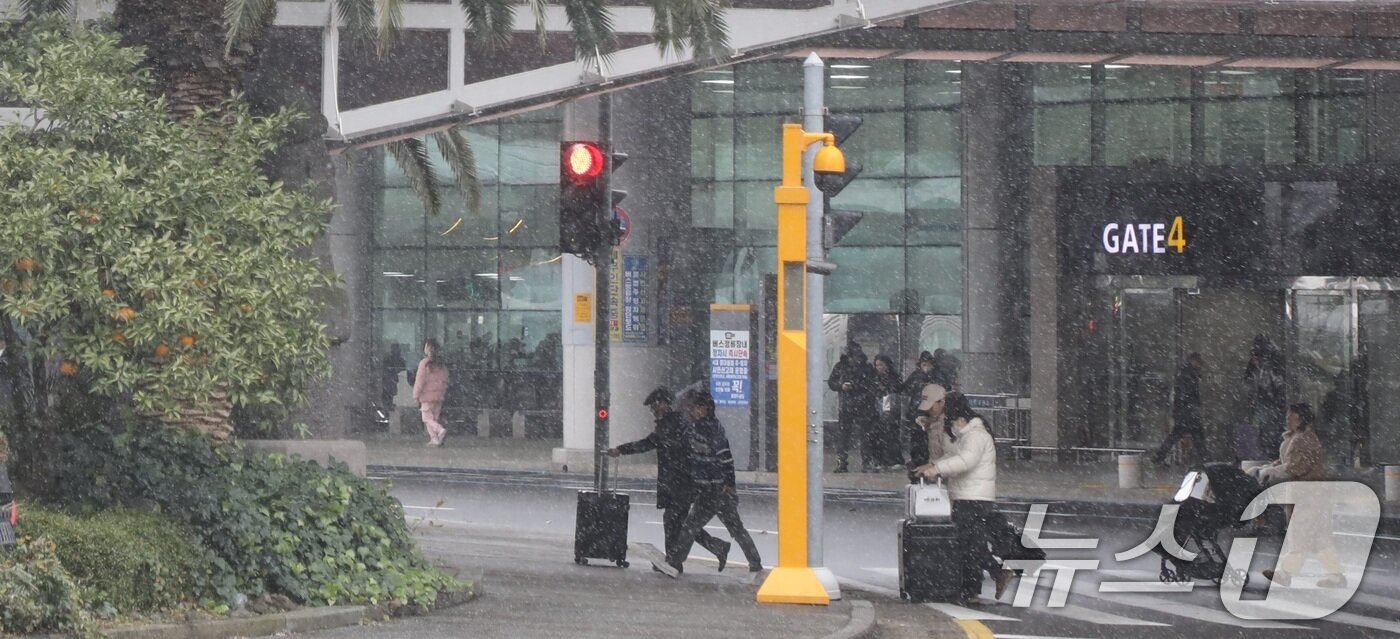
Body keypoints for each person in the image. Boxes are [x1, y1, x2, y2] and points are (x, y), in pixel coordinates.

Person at [609, 388, 731, 569]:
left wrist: (621, 449)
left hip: (681, 481)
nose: (653, 410)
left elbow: (650, 443)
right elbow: (656, 442)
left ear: (664, 404)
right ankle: (708, 549)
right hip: (677, 480)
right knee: (679, 522)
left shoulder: (673, 423)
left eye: (654, 406)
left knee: (673, 520)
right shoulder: (670, 422)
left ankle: (674, 562)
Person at [914, 392, 1012, 606]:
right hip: (967, 495)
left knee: (969, 541)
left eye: (951, 418)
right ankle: (971, 587)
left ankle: (996, 573)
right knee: (969, 541)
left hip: (974, 497)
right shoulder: (966, 436)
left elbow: (965, 461)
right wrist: (932, 466)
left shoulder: (976, 435)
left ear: (960, 417)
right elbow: (953, 456)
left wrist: (937, 468)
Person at [1249, 403, 1346, 588]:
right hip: (1309, 493)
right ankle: (1336, 576)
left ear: (1300, 418)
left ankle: (1285, 573)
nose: (1287, 418)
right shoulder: (1296, 438)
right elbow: (1288, 460)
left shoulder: (1304, 439)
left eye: (1291, 415)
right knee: (1319, 537)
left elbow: (1297, 466)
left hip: (1309, 495)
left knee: (1298, 534)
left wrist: (1272, 470)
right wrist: (1269, 467)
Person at [666, 390, 762, 577]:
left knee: (693, 527)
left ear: (704, 409)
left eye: (695, 407)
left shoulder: (709, 430)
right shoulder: (698, 428)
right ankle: (754, 563)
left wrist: (728, 483)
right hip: (709, 489)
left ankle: (675, 563)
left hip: (716, 490)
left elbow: (725, 458)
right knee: (729, 528)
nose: (691, 410)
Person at [827, 343, 877, 473]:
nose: (854, 360)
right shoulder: (841, 366)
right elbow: (831, 382)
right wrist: (841, 386)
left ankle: (866, 462)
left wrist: (855, 387)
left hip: (862, 405)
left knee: (864, 435)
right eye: (852, 357)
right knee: (844, 435)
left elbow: (871, 384)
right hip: (848, 405)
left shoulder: (866, 368)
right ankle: (842, 462)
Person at [1153, 353, 1207, 465]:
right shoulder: (1188, 375)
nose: (1200, 365)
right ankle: (1206, 458)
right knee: (1196, 437)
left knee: (1177, 436)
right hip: (1187, 413)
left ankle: (1159, 457)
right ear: (1193, 361)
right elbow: (1186, 395)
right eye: (1198, 362)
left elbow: (1183, 395)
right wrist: (1192, 409)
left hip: (1185, 413)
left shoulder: (1187, 374)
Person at [1245, 335, 1287, 460]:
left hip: (1268, 401)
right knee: (1265, 429)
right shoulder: (1267, 361)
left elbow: (1277, 382)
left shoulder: (1271, 363)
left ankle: (1270, 452)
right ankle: (1268, 451)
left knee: (1269, 429)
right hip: (1265, 401)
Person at [412, 338, 450, 447]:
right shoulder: (442, 364)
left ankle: (440, 430)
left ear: (428, 348)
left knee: (427, 418)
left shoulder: (424, 363)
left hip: (427, 396)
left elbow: (420, 381)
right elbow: (446, 379)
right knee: (434, 418)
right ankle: (434, 439)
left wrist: (416, 394)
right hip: (438, 396)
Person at [871, 354, 906, 469]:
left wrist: (885, 388)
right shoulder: (874, 377)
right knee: (879, 434)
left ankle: (893, 459)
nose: (879, 367)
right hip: (878, 407)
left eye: (881, 365)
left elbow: (896, 388)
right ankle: (881, 460)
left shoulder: (893, 377)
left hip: (889, 406)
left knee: (891, 433)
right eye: (877, 365)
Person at [382, 343, 406, 409]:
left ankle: (388, 406)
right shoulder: (388, 358)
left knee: (391, 394)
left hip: (392, 380)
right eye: (394, 348)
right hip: (390, 380)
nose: (395, 350)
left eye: (396, 348)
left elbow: (403, 369)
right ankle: (388, 406)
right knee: (390, 394)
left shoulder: (399, 359)